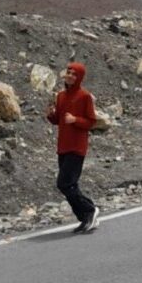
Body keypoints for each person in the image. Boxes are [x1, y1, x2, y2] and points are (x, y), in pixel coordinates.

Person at [45, 62, 100, 233]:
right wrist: (51, 115)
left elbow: (91, 121)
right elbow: (58, 120)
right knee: (69, 184)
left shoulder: (84, 96)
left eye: (74, 74)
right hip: (63, 146)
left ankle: (89, 209)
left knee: (65, 183)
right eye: (68, 72)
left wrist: (75, 120)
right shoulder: (61, 96)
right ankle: (85, 217)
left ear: (79, 78)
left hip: (77, 147)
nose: (70, 76)